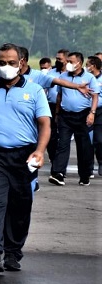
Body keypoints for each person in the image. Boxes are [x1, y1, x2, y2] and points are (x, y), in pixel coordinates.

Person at [0, 42, 51, 272]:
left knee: (20, 206)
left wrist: (40, 151)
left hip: (24, 157)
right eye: (2, 63)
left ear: (21, 63)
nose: (7, 67)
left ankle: (13, 253)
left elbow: (45, 124)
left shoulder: (34, 91)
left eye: (11, 63)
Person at [49, 52, 99, 186]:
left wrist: (92, 113)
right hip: (65, 115)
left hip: (83, 115)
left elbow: (95, 96)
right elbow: (59, 95)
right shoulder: (63, 77)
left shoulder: (89, 77)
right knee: (62, 144)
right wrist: (57, 114)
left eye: (71, 61)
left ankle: (85, 174)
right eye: (68, 61)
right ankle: (58, 173)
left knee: (84, 146)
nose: (68, 64)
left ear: (79, 63)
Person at [86, 56, 102, 176]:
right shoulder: (86, 78)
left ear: (94, 66)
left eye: (88, 65)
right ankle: (88, 167)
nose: (86, 67)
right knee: (87, 141)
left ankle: (101, 163)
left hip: (100, 112)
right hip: (86, 111)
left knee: (98, 140)